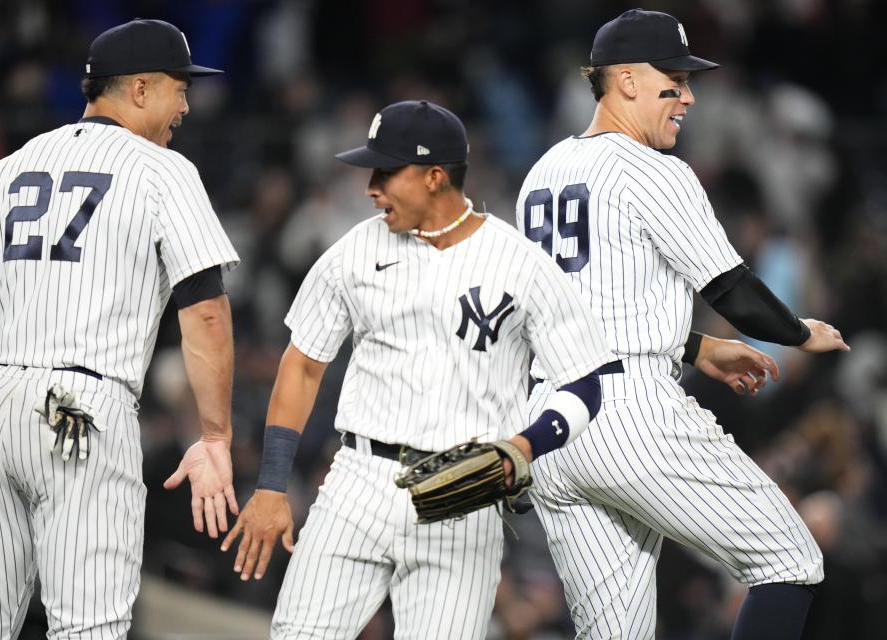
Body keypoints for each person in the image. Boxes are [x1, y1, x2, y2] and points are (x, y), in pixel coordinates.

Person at [221, 99, 616, 639]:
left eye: (386, 172)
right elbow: (302, 366)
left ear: (435, 177)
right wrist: (271, 485)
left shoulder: (519, 262)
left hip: (464, 496)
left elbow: (584, 384)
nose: (370, 187)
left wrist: (527, 445)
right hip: (359, 481)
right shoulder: (354, 252)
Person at [515, 9, 850, 640]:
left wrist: (692, 347)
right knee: (790, 559)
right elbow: (735, 292)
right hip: (631, 412)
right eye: (674, 80)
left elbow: (578, 307)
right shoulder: (652, 169)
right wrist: (801, 332)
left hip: (554, 429)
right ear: (626, 80)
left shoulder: (542, 175)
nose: (689, 97)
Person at [0, 19, 241, 638]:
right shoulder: (163, 170)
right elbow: (205, 311)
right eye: (178, 88)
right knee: (89, 628)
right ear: (138, 89)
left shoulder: (6, 169)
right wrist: (216, 435)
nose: (185, 104)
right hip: (81, 411)